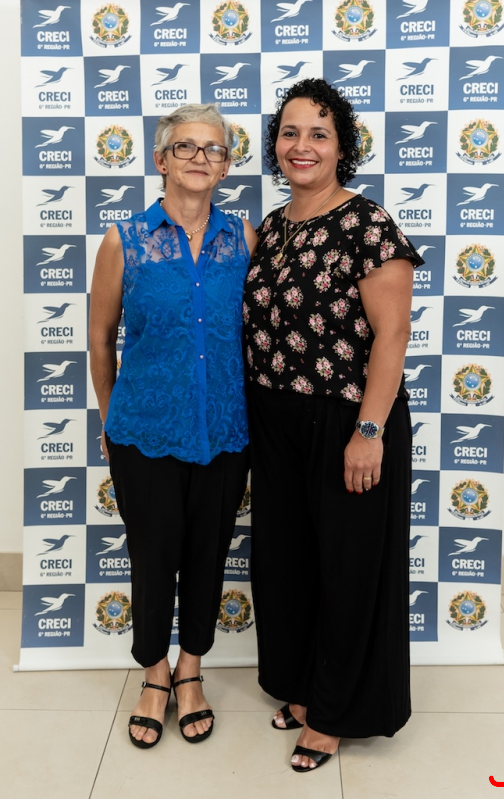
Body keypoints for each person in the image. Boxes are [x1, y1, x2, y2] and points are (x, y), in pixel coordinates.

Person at [244, 79, 424, 772]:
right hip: (274, 417)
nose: (303, 146)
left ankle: (336, 714)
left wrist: (369, 432)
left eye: (319, 133)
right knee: (288, 563)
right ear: (275, 146)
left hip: (349, 417)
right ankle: (302, 687)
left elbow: (393, 335)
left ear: (342, 146)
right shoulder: (273, 227)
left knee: (349, 569)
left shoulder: (368, 224)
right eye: (290, 133)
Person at [89, 103, 257, 749]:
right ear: (161, 160)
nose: (199, 158)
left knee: (208, 555)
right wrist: (112, 417)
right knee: (153, 556)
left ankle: (191, 670)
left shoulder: (243, 239)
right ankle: (154, 673)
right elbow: (101, 339)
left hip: (225, 431)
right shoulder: (124, 240)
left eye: (213, 149)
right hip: (144, 432)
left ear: (226, 166)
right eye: (185, 146)